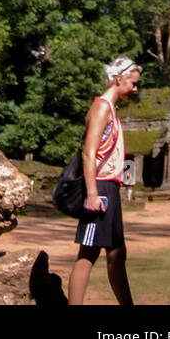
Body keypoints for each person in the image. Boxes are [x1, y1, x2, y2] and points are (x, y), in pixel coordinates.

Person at [68, 55, 141, 305]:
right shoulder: (101, 107)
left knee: (117, 253)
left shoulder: (110, 109)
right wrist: (91, 194)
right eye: (133, 82)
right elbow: (89, 153)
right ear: (119, 79)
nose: (135, 88)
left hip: (109, 189)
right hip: (98, 189)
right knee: (87, 254)